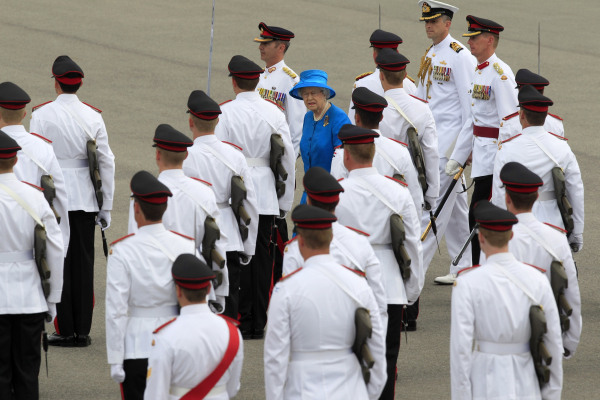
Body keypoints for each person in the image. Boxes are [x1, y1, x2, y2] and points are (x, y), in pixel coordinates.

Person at [30, 55, 116, 347]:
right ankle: (82, 330)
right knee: (84, 263)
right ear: (78, 84)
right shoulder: (93, 116)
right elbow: (106, 162)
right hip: (86, 198)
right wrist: (106, 206)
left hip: (53, 196)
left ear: (56, 83)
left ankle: (65, 328)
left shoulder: (42, 115)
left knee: (60, 260)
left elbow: (35, 159)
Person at [334, 125, 423, 400]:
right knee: (385, 359)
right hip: (389, 285)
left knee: (348, 362)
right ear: (373, 153)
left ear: (346, 156)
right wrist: (411, 291)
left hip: (347, 282)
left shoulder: (337, 193)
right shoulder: (398, 192)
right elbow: (412, 244)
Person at [265, 205, 386, 400]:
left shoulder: (285, 289)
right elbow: (377, 348)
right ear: (331, 239)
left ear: (300, 241)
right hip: (351, 390)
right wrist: (368, 394)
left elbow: (275, 357)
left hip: (301, 390)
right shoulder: (359, 286)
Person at [215, 55, 295, 339]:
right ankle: (257, 322)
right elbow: (286, 159)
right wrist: (284, 202)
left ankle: (236, 315)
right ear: (257, 81)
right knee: (262, 258)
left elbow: (219, 155)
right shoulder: (274, 113)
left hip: (233, 190)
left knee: (234, 254)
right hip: (265, 191)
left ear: (234, 82)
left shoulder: (224, 112)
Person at [451, 200, 563, 400]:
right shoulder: (537, 280)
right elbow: (553, 341)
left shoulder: (466, 283)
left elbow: (461, 350)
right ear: (511, 236)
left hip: (484, 379)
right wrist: (552, 394)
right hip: (527, 379)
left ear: (481, 237)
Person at [106, 171, 199, 400]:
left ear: (136, 208)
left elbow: (116, 309)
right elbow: (202, 299)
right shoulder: (186, 246)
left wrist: (116, 358)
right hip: (178, 341)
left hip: (137, 345)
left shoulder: (122, 251)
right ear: (165, 209)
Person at [127, 124, 228, 312]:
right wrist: (219, 292)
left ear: (158, 155)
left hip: (155, 283)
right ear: (186, 155)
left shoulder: (144, 195)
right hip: (195, 282)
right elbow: (217, 244)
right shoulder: (205, 193)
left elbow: (135, 244)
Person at [483, 162, 581, 358]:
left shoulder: (493, 239)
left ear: (507, 198)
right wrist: (569, 343)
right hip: (544, 335)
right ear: (537, 197)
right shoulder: (557, 239)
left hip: (502, 340)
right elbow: (570, 294)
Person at [445, 16, 518, 265]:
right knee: (476, 217)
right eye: (469, 38)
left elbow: (510, 122)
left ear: (489, 40)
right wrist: (457, 156)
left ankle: (481, 267)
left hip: (494, 159)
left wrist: (503, 163)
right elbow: (473, 120)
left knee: (479, 216)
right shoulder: (479, 71)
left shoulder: (500, 74)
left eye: (475, 38)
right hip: (481, 156)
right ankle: (478, 267)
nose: (470, 42)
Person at [182, 89, 259, 322]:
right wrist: (248, 246)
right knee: (229, 303)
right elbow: (249, 203)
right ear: (217, 122)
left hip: (194, 235)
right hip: (229, 235)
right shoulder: (235, 156)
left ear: (190, 122)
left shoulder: (184, 156)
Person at [415, 0, 476, 285]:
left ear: (447, 23)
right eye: (426, 21)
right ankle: (465, 266)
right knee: (457, 213)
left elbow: (470, 108)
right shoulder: (431, 52)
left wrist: (464, 149)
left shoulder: (459, 56)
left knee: (434, 212)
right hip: (431, 143)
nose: (428, 25)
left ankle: (413, 271)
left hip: (447, 147)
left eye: (434, 21)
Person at [282, 166, 388, 328]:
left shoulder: (295, 249)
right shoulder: (360, 242)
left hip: (309, 332)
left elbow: (287, 305)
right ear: (337, 202)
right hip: (350, 332)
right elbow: (378, 302)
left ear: (308, 201)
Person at [0, 130, 64, 399]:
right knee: (27, 373)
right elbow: (55, 250)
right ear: (16, 161)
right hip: (30, 297)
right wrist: (53, 298)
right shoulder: (36, 197)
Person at [491, 85, 584, 251]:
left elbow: (499, 196)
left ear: (521, 115)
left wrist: (500, 232)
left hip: (517, 229)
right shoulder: (562, 147)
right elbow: (575, 191)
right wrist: (576, 233)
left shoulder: (507, 149)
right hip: (554, 228)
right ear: (545, 116)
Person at [145, 254, 244, 400]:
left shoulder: (165, 336)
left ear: (178, 291)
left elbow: (155, 394)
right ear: (209, 289)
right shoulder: (232, 331)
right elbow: (233, 388)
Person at [0, 82, 70, 256]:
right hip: (31, 229)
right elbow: (59, 194)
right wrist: (62, 245)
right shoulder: (43, 147)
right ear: (24, 114)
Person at [331, 87, 423, 212]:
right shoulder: (400, 151)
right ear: (381, 118)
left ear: (357, 118)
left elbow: (335, 199)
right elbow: (415, 198)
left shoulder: (342, 153)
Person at [377, 49, 440, 210]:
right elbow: (431, 152)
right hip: (412, 187)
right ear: (405, 75)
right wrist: (431, 194)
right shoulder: (422, 109)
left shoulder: (375, 111)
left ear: (381, 76)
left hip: (382, 185)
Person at [289, 69, 351, 204]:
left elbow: (344, 160)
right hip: (309, 191)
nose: (309, 98)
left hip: (330, 193)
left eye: (314, 93)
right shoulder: (308, 117)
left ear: (324, 94)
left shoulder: (339, 118)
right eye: (305, 94)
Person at [254, 22, 304, 156]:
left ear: (281, 47)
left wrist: (289, 160)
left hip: (276, 153)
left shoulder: (291, 80)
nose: (260, 47)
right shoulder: (257, 76)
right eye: (261, 43)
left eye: (266, 44)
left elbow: (297, 126)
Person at [347, 29, 417, 122]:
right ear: (398, 53)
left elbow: (353, 121)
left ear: (374, 55)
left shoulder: (361, 85)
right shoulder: (411, 85)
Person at [498, 69, 565, 141]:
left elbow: (503, 148)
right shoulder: (556, 124)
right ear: (543, 92)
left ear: (521, 93)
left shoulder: (509, 124)